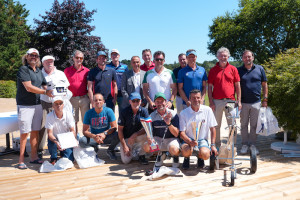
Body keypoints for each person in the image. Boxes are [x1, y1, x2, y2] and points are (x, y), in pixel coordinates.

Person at [16, 48, 53, 169]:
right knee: (24, 133)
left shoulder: (38, 71)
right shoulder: (23, 69)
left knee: (35, 131)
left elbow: (44, 84)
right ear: (26, 57)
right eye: (31, 55)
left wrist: (54, 88)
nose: (34, 57)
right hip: (25, 105)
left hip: (37, 104)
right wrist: (45, 92)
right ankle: (21, 160)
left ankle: (34, 157)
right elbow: (29, 87)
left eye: (36, 56)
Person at [208, 47, 241, 147]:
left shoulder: (233, 69)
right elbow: (209, 87)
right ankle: (216, 146)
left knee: (232, 125)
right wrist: (211, 101)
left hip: (230, 101)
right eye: (221, 56)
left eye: (225, 56)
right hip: (217, 101)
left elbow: (237, 86)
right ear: (218, 57)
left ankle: (231, 145)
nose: (223, 58)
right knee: (216, 125)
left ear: (228, 57)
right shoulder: (213, 70)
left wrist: (238, 101)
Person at [38, 55, 71, 159]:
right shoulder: (39, 73)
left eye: (51, 61)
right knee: (43, 126)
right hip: (44, 102)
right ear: (43, 63)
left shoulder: (60, 73)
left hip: (58, 103)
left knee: (61, 125)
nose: (50, 63)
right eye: (47, 61)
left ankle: (62, 148)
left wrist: (58, 90)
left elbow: (66, 86)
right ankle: (40, 150)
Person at [238, 50, 268, 155]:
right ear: (242, 59)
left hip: (256, 102)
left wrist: (265, 99)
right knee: (244, 125)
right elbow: (236, 87)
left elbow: (264, 85)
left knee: (254, 125)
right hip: (243, 103)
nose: (247, 59)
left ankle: (253, 145)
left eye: (249, 57)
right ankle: (245, 145)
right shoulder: (238, 70)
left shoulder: (260, 69)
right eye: (245, 57)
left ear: (253, 58)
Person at [179, 89, 218, 170]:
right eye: (193, 98)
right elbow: (182, 133)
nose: (196, 100)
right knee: (186, 151)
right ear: (189, 99)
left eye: (198, 97)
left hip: (202, 140)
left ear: (201, 98)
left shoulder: (208, 110)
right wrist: (190, 141)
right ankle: (187, 158)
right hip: (188, 140)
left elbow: (213, 128)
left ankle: (200, 157)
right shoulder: (183, 113)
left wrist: (213, 145)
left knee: (206, 155)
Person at [79, 93, 120, 160]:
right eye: (96, 100)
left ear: (103, 101)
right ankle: (94, 146)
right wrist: (94, 136)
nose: (98, 102)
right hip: (95, 137)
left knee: (119, 135)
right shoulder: (88, 113)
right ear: (93, 102)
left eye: (100, 100)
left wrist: (104, 133)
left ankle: (110, 150)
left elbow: (114, 127)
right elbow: (84, 131)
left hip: (107, 136)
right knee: (82, 141)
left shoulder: (109, 111)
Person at [145, 92, 181, 168]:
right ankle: (160, 154)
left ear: (166, 102)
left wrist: (169, 123)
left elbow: (176, 134)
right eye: (157, 102)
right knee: (146, 146)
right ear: (154, 103)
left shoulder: (173, 114)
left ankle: (175, 157)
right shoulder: (152, 116)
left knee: (174, 149)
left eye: (162, 101)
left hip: (171, 139)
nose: (160, 103)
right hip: (158, 139)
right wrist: (149, 138)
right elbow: (150, 133)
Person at [118, 92, 150, 165]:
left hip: (138, 137)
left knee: (147, 136)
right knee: (126, 161)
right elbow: (119, 130)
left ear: (140, 101)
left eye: (137, 101)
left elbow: (148, 128)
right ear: (130, 101)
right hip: (126, 139)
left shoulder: (144, 111)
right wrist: (124, 146)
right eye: (133, 101)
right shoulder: (124, 112)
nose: (135, 103)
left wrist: (135, 134)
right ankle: (134, 151)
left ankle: (141, 155)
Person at [64, 50, 90, 133]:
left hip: (84, 98)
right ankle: (75, 138)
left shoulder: (87, 71)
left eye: (81, 58)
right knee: (73, 120)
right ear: (73, 58)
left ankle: (86, 138)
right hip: (72, 99)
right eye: (77, 57)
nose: (79, 59)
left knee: (86, 120)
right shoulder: (67, 71)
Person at [45, 96, 76, 164]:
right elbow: (50, 134)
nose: (58, 105)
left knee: (69, 160)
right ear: (53, 106)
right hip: (55, 138)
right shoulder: (49, 116)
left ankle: (62, 153)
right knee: (51, 141)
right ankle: (53, 157)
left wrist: (69, 141)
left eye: (60, 103)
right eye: (56, 104)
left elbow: (72, 130)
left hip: (66, 138)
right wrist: (57, 142)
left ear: (63, 105)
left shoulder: (68, 114)